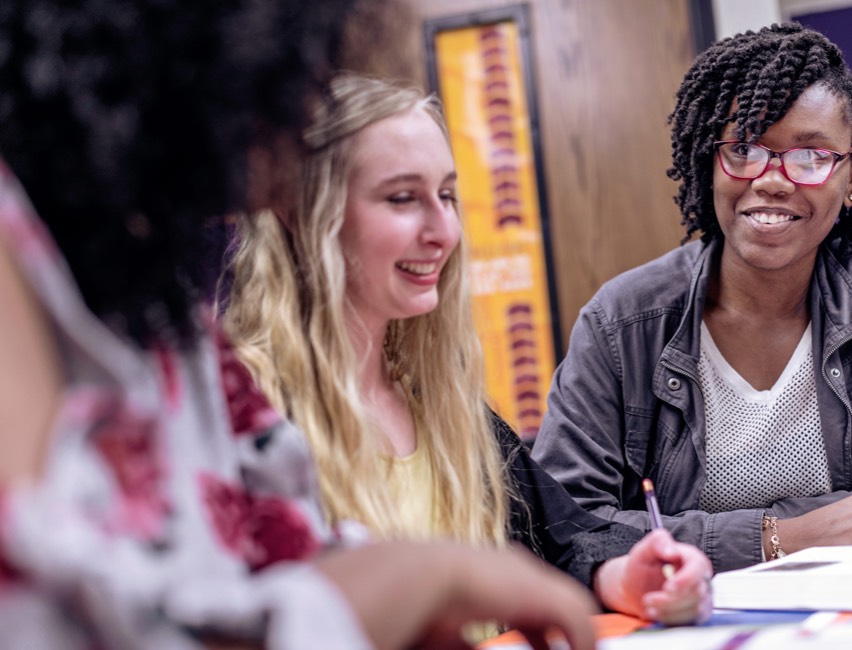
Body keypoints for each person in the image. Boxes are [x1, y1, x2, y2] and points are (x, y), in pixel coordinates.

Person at [0, 2, 602, 648]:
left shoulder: (171, 314)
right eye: (402, 197)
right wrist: (424, 576)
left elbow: (264, 559)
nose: (308, 107)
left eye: (448, 195)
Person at [221, 73, 713, 630]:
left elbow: (561, 544)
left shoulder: (440, 403)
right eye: (403, 198)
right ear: (306, 212)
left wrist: (626, 575)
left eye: (448, 196)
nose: (443, 231)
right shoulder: (240, 419)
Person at [531, 23, 852, 574]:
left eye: (810, 156)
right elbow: (564, 530)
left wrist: (684, 538)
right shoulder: (622, 321)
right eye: (743, 149)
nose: (773, 179)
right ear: (709, 162)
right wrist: (778, 538)